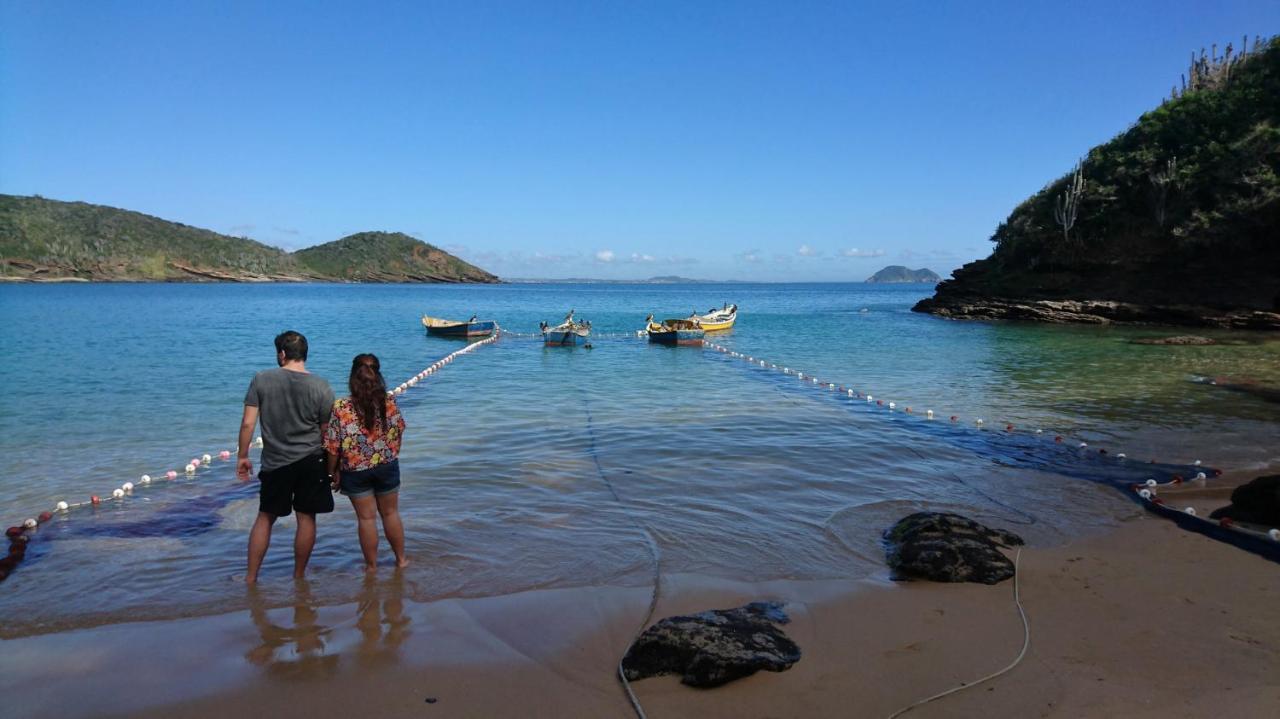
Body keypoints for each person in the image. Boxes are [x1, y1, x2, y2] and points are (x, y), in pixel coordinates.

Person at [237, 331, 336, 583]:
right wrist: (335, 467)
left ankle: (250, 578)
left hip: (275, 462)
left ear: (282, 354)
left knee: (265, 517)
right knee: (306, 518)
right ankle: (299, 576)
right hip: (312, 460)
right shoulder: (322, 386)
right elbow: (327, 433)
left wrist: (242, 456)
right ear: (304, 354)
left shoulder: (261, 379)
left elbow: (248, 424)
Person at [324, 353, 408, 570]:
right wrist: (392, 453)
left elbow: (333, 445)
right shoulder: (388, 402)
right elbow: (399, 429)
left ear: (353, 376)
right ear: (377, 375)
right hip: (387, 466)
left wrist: (332, 472)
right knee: (390, 514)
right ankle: (401, 560)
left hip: (355, 470)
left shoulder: (341, 407)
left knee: (367, 519)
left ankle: (372, 568)